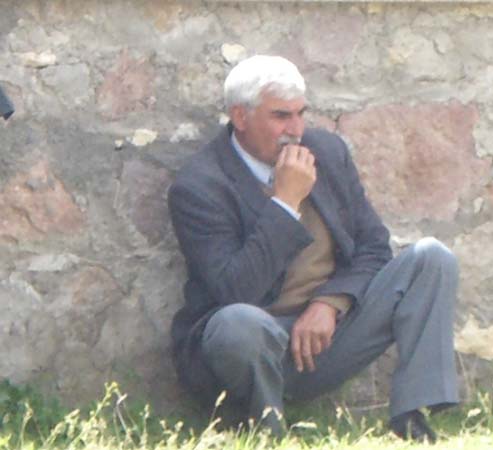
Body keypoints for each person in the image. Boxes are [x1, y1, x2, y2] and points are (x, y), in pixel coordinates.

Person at [168, 55, 459, 443]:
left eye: (300, 114)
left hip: (326, 336)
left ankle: (412, 418)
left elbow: (373, 246)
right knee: (238, 322)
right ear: (240, 116)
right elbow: (234, 291)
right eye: (281, 116)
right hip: (252, 344)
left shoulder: (327, 152)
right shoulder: (200, 185)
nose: (295, 130)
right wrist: (286, 203)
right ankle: (267, 431)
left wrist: (330, 302)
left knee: (431, 258)